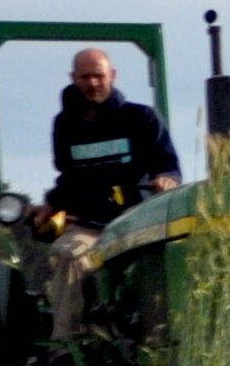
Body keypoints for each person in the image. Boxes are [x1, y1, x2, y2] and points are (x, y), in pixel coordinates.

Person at [35, 47, 180, 329]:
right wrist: (50, 205)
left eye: (98, 76)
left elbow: (168, 166)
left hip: (137, 224)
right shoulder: (65, 124)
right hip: (88, 225)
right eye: (85, 76)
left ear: (112, 76)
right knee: (71, 255)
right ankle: (67, 347)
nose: (92, 83)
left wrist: (166, 180)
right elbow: (69, 177)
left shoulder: (141, 118)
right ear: (73, 78)